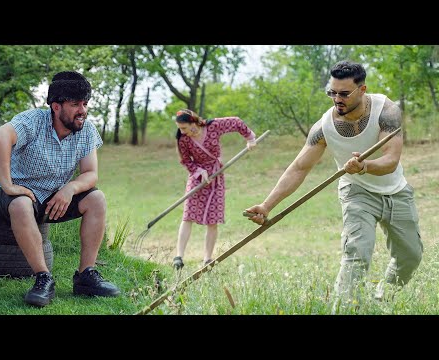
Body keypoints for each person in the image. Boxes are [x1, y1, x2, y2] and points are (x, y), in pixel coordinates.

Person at [245, 61, 423, 313]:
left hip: (396, 191)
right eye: (332, 92)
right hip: (357, 192)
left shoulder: (386, 110)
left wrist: (364, 166)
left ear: (362, 90)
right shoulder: (324, 127)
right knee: (357, 253)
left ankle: (381, 300)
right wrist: (266, 205)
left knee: (410, 256)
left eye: (344, 93)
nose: (336, 99)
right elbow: (299, 168)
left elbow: (391, 160)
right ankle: (344, 309)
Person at [0, 71, 120, 307]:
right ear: (56, 107)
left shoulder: (86, 130)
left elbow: (90, 173)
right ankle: (43, 278)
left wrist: (70, 188)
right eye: (74, 104)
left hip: (52, 198)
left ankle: (86, 275)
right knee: (20, 203)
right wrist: (8, 185)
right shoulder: (33, 120)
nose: (82, 110)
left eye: (85, 104)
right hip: (12, 196)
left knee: (97, 198)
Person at [172, 109, 257, 270]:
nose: (181, 131)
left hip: (216, 176)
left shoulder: (213, 126)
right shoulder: (183, 139)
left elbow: (236, 121)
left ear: (193, 123)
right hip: (197, 177)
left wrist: (250, 138)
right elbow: (185, 161)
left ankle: (207, 259)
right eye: (180, 128)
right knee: (188, 215)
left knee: (213, 219)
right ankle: (179, 256)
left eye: (184, 127)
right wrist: (199, 171)